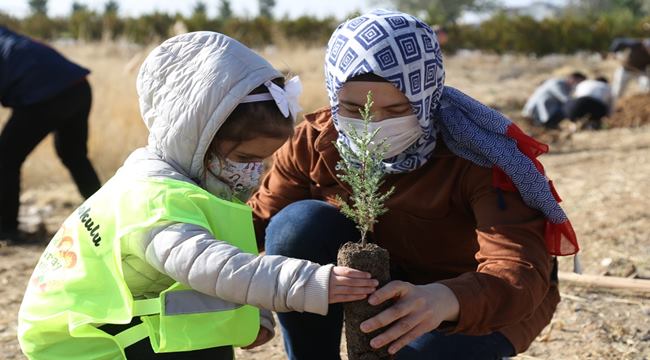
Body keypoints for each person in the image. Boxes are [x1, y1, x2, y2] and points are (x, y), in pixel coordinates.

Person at [17, 32, 377, 360]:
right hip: (80, 339)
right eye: (245, 159)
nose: (256, 172)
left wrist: (256, 315)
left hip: (109, 318)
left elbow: (228, 253)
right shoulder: (154, 200)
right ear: (197, 140)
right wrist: (307, 283)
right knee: (202, 348)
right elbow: (215, 267)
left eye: (263, 160)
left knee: (209, 341)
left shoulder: (185, 180)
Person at [249, 10, 579, 360]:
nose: (371, 124)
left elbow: (516, 273)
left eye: (393, 111)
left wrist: (446, 299)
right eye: (351, 107)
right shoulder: (315, 142)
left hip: (470, 300)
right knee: (297, 224)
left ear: (425, 97)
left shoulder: (479, 155)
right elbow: (261, 222)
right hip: (376, 284)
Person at [0, 26, 101, 241]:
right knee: (74, 156)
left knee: (5, 158)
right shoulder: (6, 37)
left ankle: (6, 230)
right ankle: (106, 216)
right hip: (79, 88)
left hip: (49, 94)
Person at [522, 71, 586, 129]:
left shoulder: (566, 87)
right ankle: (548, 125)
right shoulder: (557, 83)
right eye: (579, 82)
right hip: (536, 111)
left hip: (544, 111)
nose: (578, 85)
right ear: (573, 78)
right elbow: (565, 99)